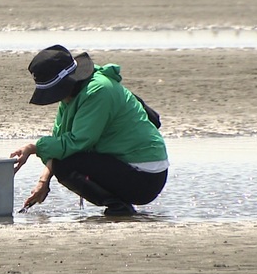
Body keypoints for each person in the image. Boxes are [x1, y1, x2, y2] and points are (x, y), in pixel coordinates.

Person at [9, 45, 169, 216]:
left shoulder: (98, 91)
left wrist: (33, 148)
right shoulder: (71, 97)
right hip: (127, 166)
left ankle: (119, 208)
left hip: (146, 176)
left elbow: (77, 142)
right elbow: (60, 145)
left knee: (66, 165)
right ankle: (119, 205)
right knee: (64, 161)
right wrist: (43, 182)